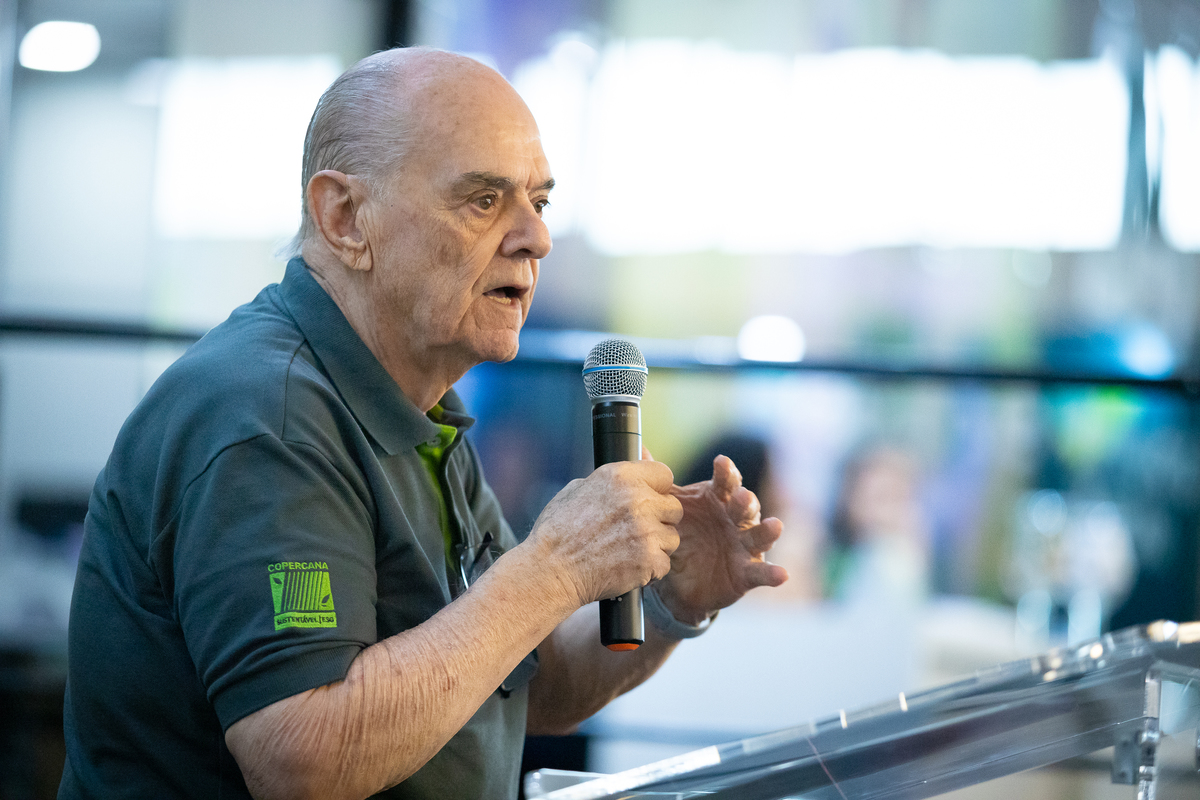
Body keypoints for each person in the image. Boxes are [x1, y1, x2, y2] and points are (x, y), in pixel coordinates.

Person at [58, 47, 787, 800]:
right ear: (344, 218)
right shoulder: (264, 415)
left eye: (539, 202)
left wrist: (668, 599)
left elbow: (519, 684)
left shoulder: (417, 402)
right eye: (483, 200)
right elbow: (302, 760)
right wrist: (554, 570)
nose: (535, 237)